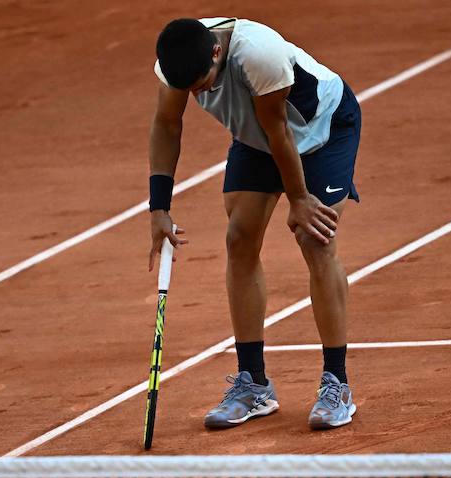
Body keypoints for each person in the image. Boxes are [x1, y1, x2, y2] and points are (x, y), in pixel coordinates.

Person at [147, 17, 363, 430]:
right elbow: (166, 124)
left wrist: (299, 201)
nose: (201, 93)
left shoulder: (259, 54)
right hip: (258, 138)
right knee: (239, 239)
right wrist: (159, 207)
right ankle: (254, 385)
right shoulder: (178, 61)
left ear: (217, 51)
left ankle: (337, 382)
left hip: (322, 131)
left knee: (314, 239)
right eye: (191, 90)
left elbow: (279, 130)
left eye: (205, 82)